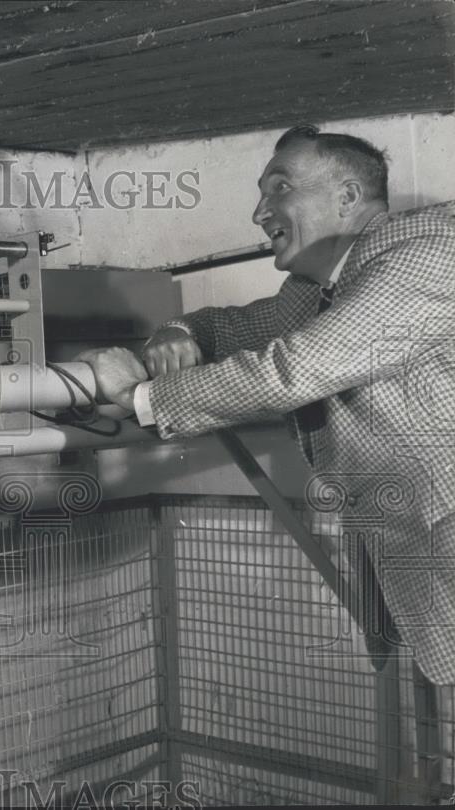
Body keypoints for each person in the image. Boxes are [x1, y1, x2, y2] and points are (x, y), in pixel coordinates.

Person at [85, 124, 453, 784]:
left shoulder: (422, 258)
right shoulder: (323, 289)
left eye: (280, 188)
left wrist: (142, 397)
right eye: (260, 194)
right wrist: (177, 331)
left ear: (348, 195)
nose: (259, 212)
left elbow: (294, 368)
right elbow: (234, 330)